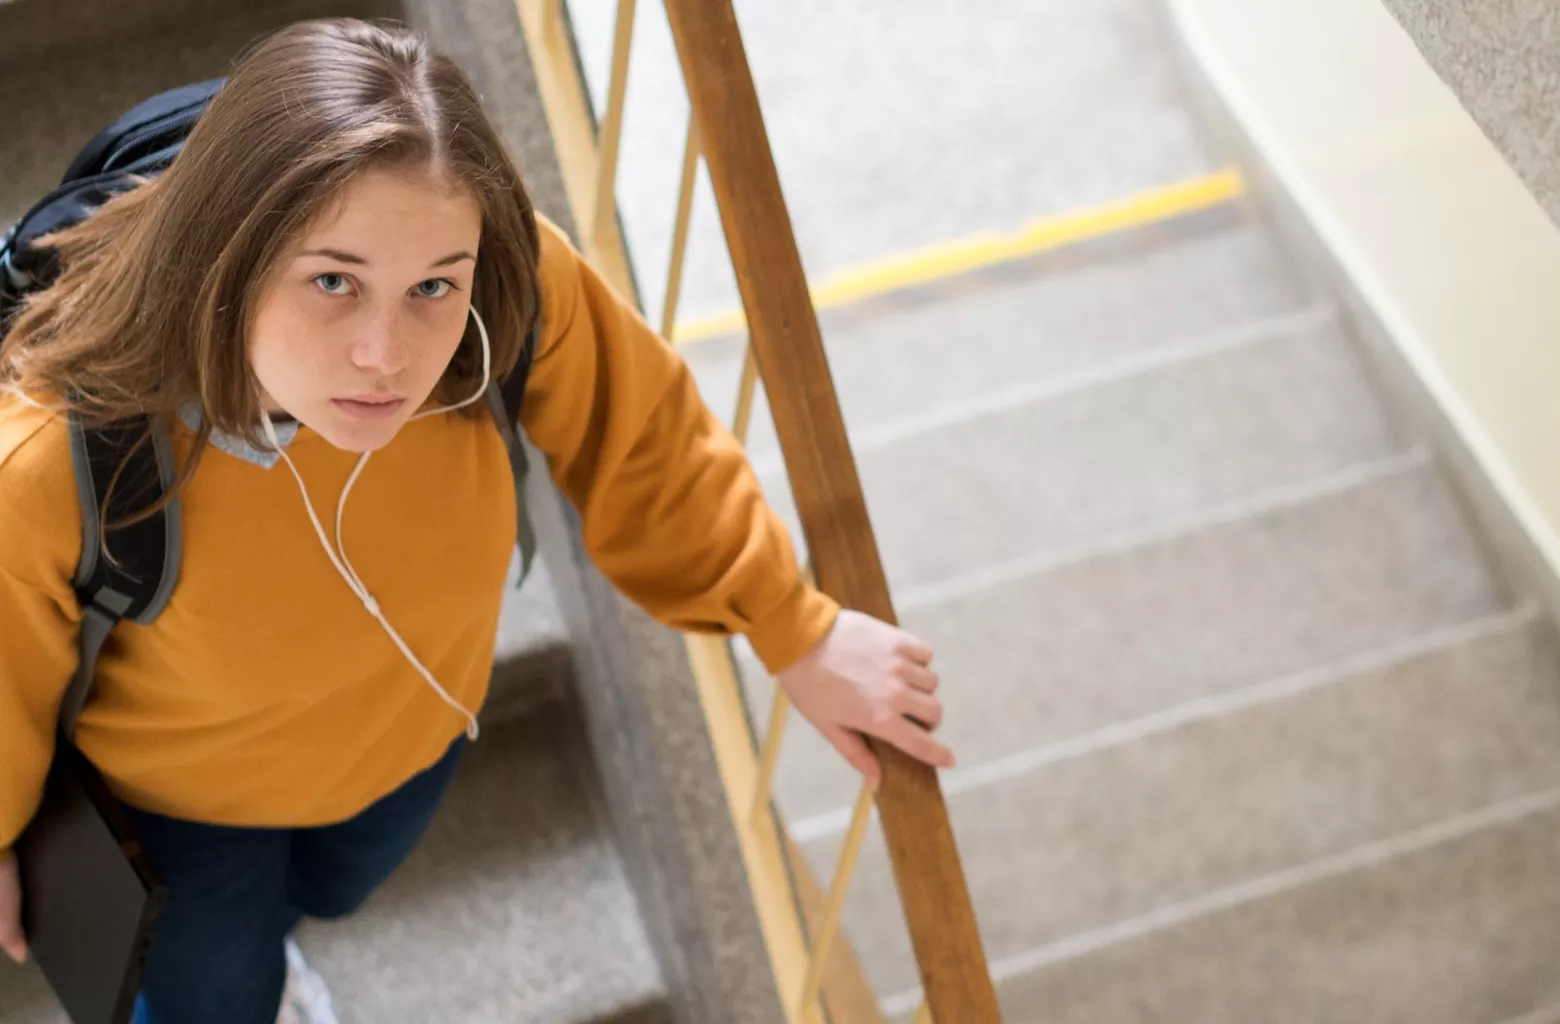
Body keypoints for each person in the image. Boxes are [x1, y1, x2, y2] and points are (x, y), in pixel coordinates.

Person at [0, 18, 953, 1024]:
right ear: (225, 255)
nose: (387, 354)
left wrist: (790, 626)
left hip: (414, 737)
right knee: (209, 995)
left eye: (430, 289)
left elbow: (644, 439)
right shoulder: (53, 461)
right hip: (183, 813)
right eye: (333, 281)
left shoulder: (506, 287)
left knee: (328, 891)